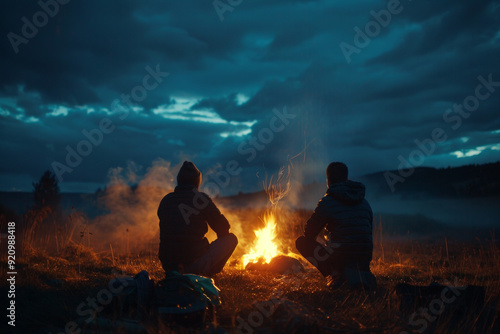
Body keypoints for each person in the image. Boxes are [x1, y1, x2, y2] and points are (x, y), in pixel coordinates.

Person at [295, 162, 376, 291]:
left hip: (340, 259)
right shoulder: (364, 202)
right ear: (346, 178)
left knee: (302, 242)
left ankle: (335, 275)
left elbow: (309, 233)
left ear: (328, 180)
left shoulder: (327, 202)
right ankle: (358, 276)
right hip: (363, 261)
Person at [158, 161, 238, 276]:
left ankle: (182, 271)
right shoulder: (200, 199)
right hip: (193, 265)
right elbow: (224, 228)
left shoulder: (165, 201)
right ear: (197, 181)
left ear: (179, 180)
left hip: (169, 266)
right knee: (231, 239)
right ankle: (208, 273)